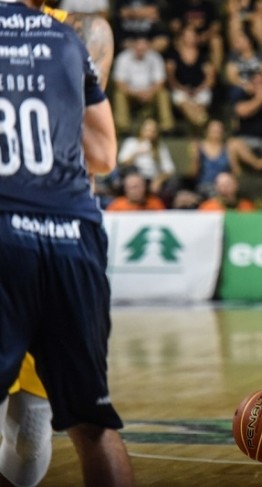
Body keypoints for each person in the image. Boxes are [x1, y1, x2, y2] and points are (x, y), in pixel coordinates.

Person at [0, 1, 135, 485]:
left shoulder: (86, 30)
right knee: (89, 423)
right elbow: (103, 154)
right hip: (68, 236)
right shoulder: (73, 37)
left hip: (25, 227)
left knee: (30, 432)